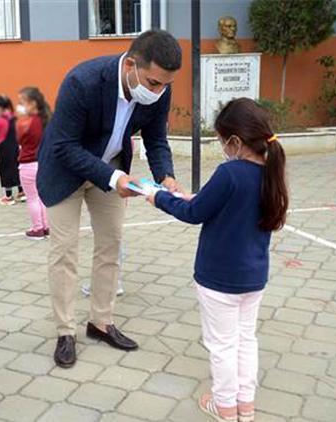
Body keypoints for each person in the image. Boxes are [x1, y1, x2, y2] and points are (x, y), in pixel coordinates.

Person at [36, 29, 183, 368]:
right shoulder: (82, 81)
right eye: (153, 82)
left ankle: (100, 322)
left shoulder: (158, 88)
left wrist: (166, 176)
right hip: (66, 171)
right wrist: (113, 178)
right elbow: (64, 146)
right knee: (64, 252)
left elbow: (156, 138)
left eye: (164, 85)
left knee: (111, 245)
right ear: (131, 65)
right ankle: (65, 332)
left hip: (113, 169)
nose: (159, 91)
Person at [147, 98, 288, 422]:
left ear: (235, 142)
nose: (222, 147)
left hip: (218, 279)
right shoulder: (270, 171)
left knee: (222, 345)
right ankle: (246, 405)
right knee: (245, 339)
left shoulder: (229, 172)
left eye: (222, 141)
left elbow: (193, 213)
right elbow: (219, 204)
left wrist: (159, 198)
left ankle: (224, 407)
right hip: (254, 277)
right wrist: (194, 199)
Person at [16, 87, 50, 240]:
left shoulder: (26, 122)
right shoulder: (46, 119)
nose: (20, 106)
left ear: (32, 103)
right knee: (42, 197)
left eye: (22, 102)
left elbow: (18, 138)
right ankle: (47, 226)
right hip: (43, 163)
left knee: (32, 197)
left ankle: (37, 228)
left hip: (28, 163)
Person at [0, 95, 23, 205]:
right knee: (16, 168)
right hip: (15, 147)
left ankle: (8, 197)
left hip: (3, 149)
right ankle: (22, 192)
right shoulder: (13, 117)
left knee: (5, 171)